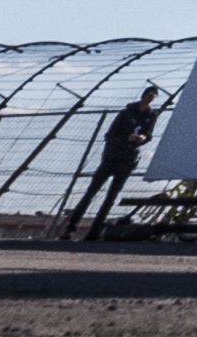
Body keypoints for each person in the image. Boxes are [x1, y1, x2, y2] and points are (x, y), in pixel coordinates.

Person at [67, 87, 162, 240]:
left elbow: (148, 133)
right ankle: (71, 227)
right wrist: (126, 138)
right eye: (149, 95)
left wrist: (142, 138)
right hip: (111, 157)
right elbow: (110, 135)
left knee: (111, 197)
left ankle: (95, 231)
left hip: (128, 159)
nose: (150, 99)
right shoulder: (126, 113)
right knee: (91, 192)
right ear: (143, 95)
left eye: (153, 97)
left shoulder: (151, 115)